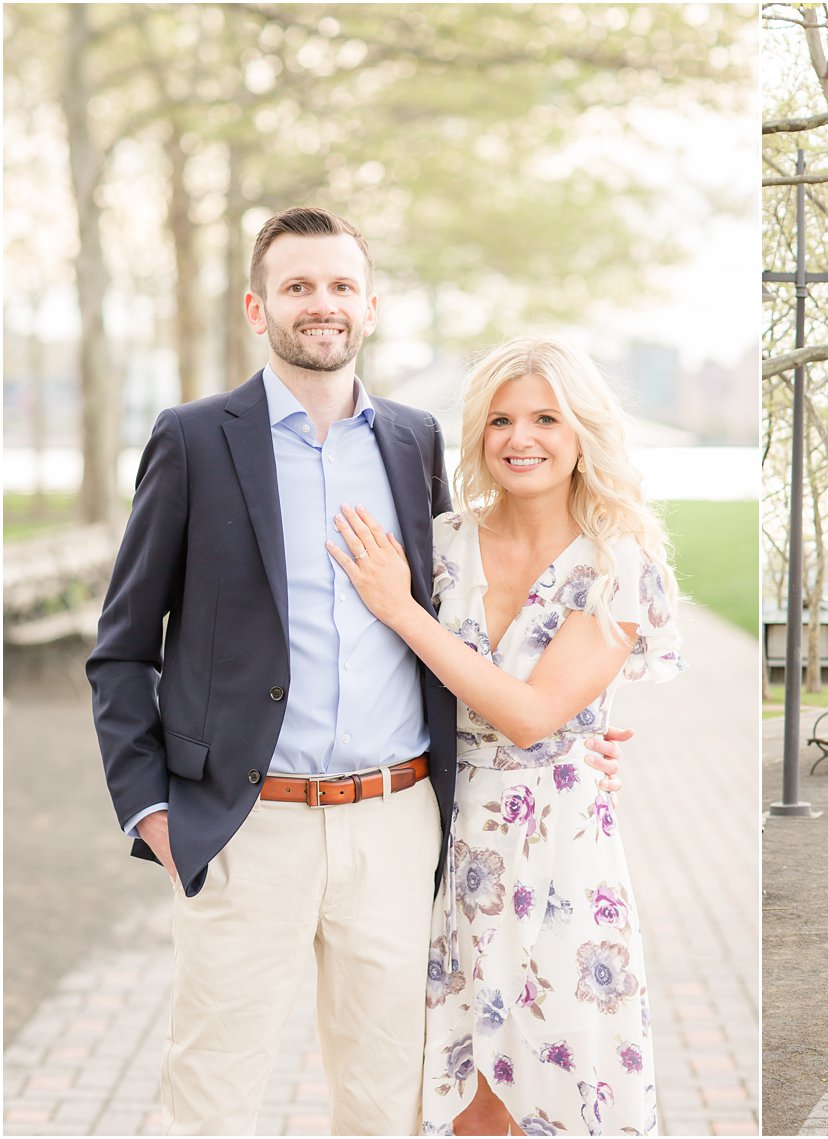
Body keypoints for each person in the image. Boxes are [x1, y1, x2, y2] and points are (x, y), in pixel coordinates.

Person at [87, 207, 621, 1134]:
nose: (321, 304)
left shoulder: (415, 445)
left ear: (369, 308)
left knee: (389, 1104)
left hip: (398, 824)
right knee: (210, 1098)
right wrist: (153, 812)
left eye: (340, 286)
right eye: (298, 286)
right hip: (247, 825)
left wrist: (578, 727)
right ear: (259, 308)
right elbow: (124, 646)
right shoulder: (193, 439)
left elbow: (471, 625)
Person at [328, 335, 683, 1136]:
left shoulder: (617, 564)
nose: (520, 438)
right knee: (469, 1088)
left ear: (582, 431)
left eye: (546, 418)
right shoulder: (442, 544)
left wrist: (402, 608)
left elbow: (530, 714)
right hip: (443, 838)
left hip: (560, 852)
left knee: (557, 1069)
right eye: (500, 420)